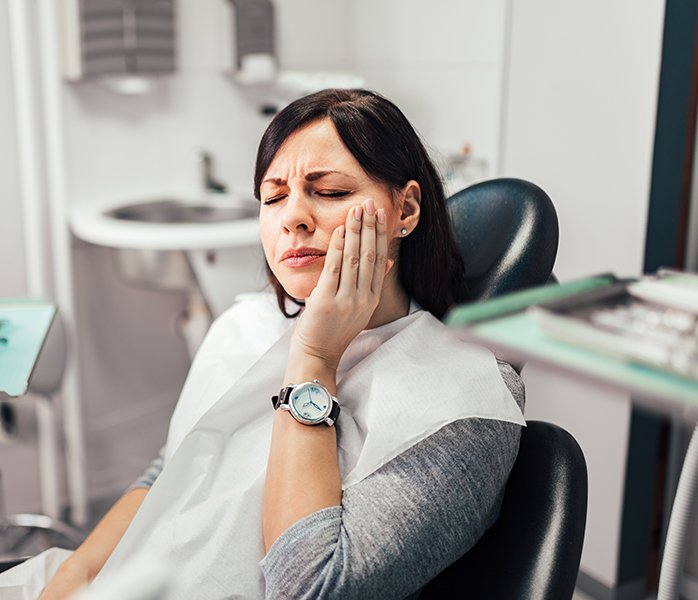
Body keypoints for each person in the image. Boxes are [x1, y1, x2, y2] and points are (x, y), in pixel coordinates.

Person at [38, 89, 525, 599]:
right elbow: (176, 466)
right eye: (273, 197)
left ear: (404, 209)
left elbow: (309, 588)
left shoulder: (467, 402)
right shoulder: (246, 326)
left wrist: (315, 359)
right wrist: (72, 577)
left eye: (331, 192)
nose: (292, 217)